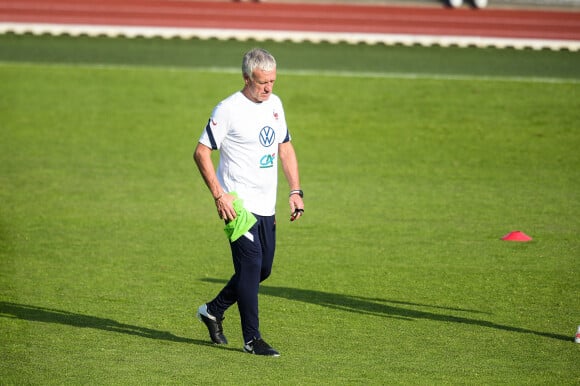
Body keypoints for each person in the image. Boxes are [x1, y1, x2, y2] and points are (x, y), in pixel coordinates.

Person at [193, 48, 304, 357]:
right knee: (252, 264)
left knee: (262, 270)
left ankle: (213, 310)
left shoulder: (275, 104)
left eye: (273, 81)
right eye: (262, 82)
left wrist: (296, 191)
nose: (268, 88)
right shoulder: (228, 109)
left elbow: (285, 147)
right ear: (246, 78)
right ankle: (252, 339)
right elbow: (201, 152)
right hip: (237, 205)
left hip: (265, 204)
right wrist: (219, 194)